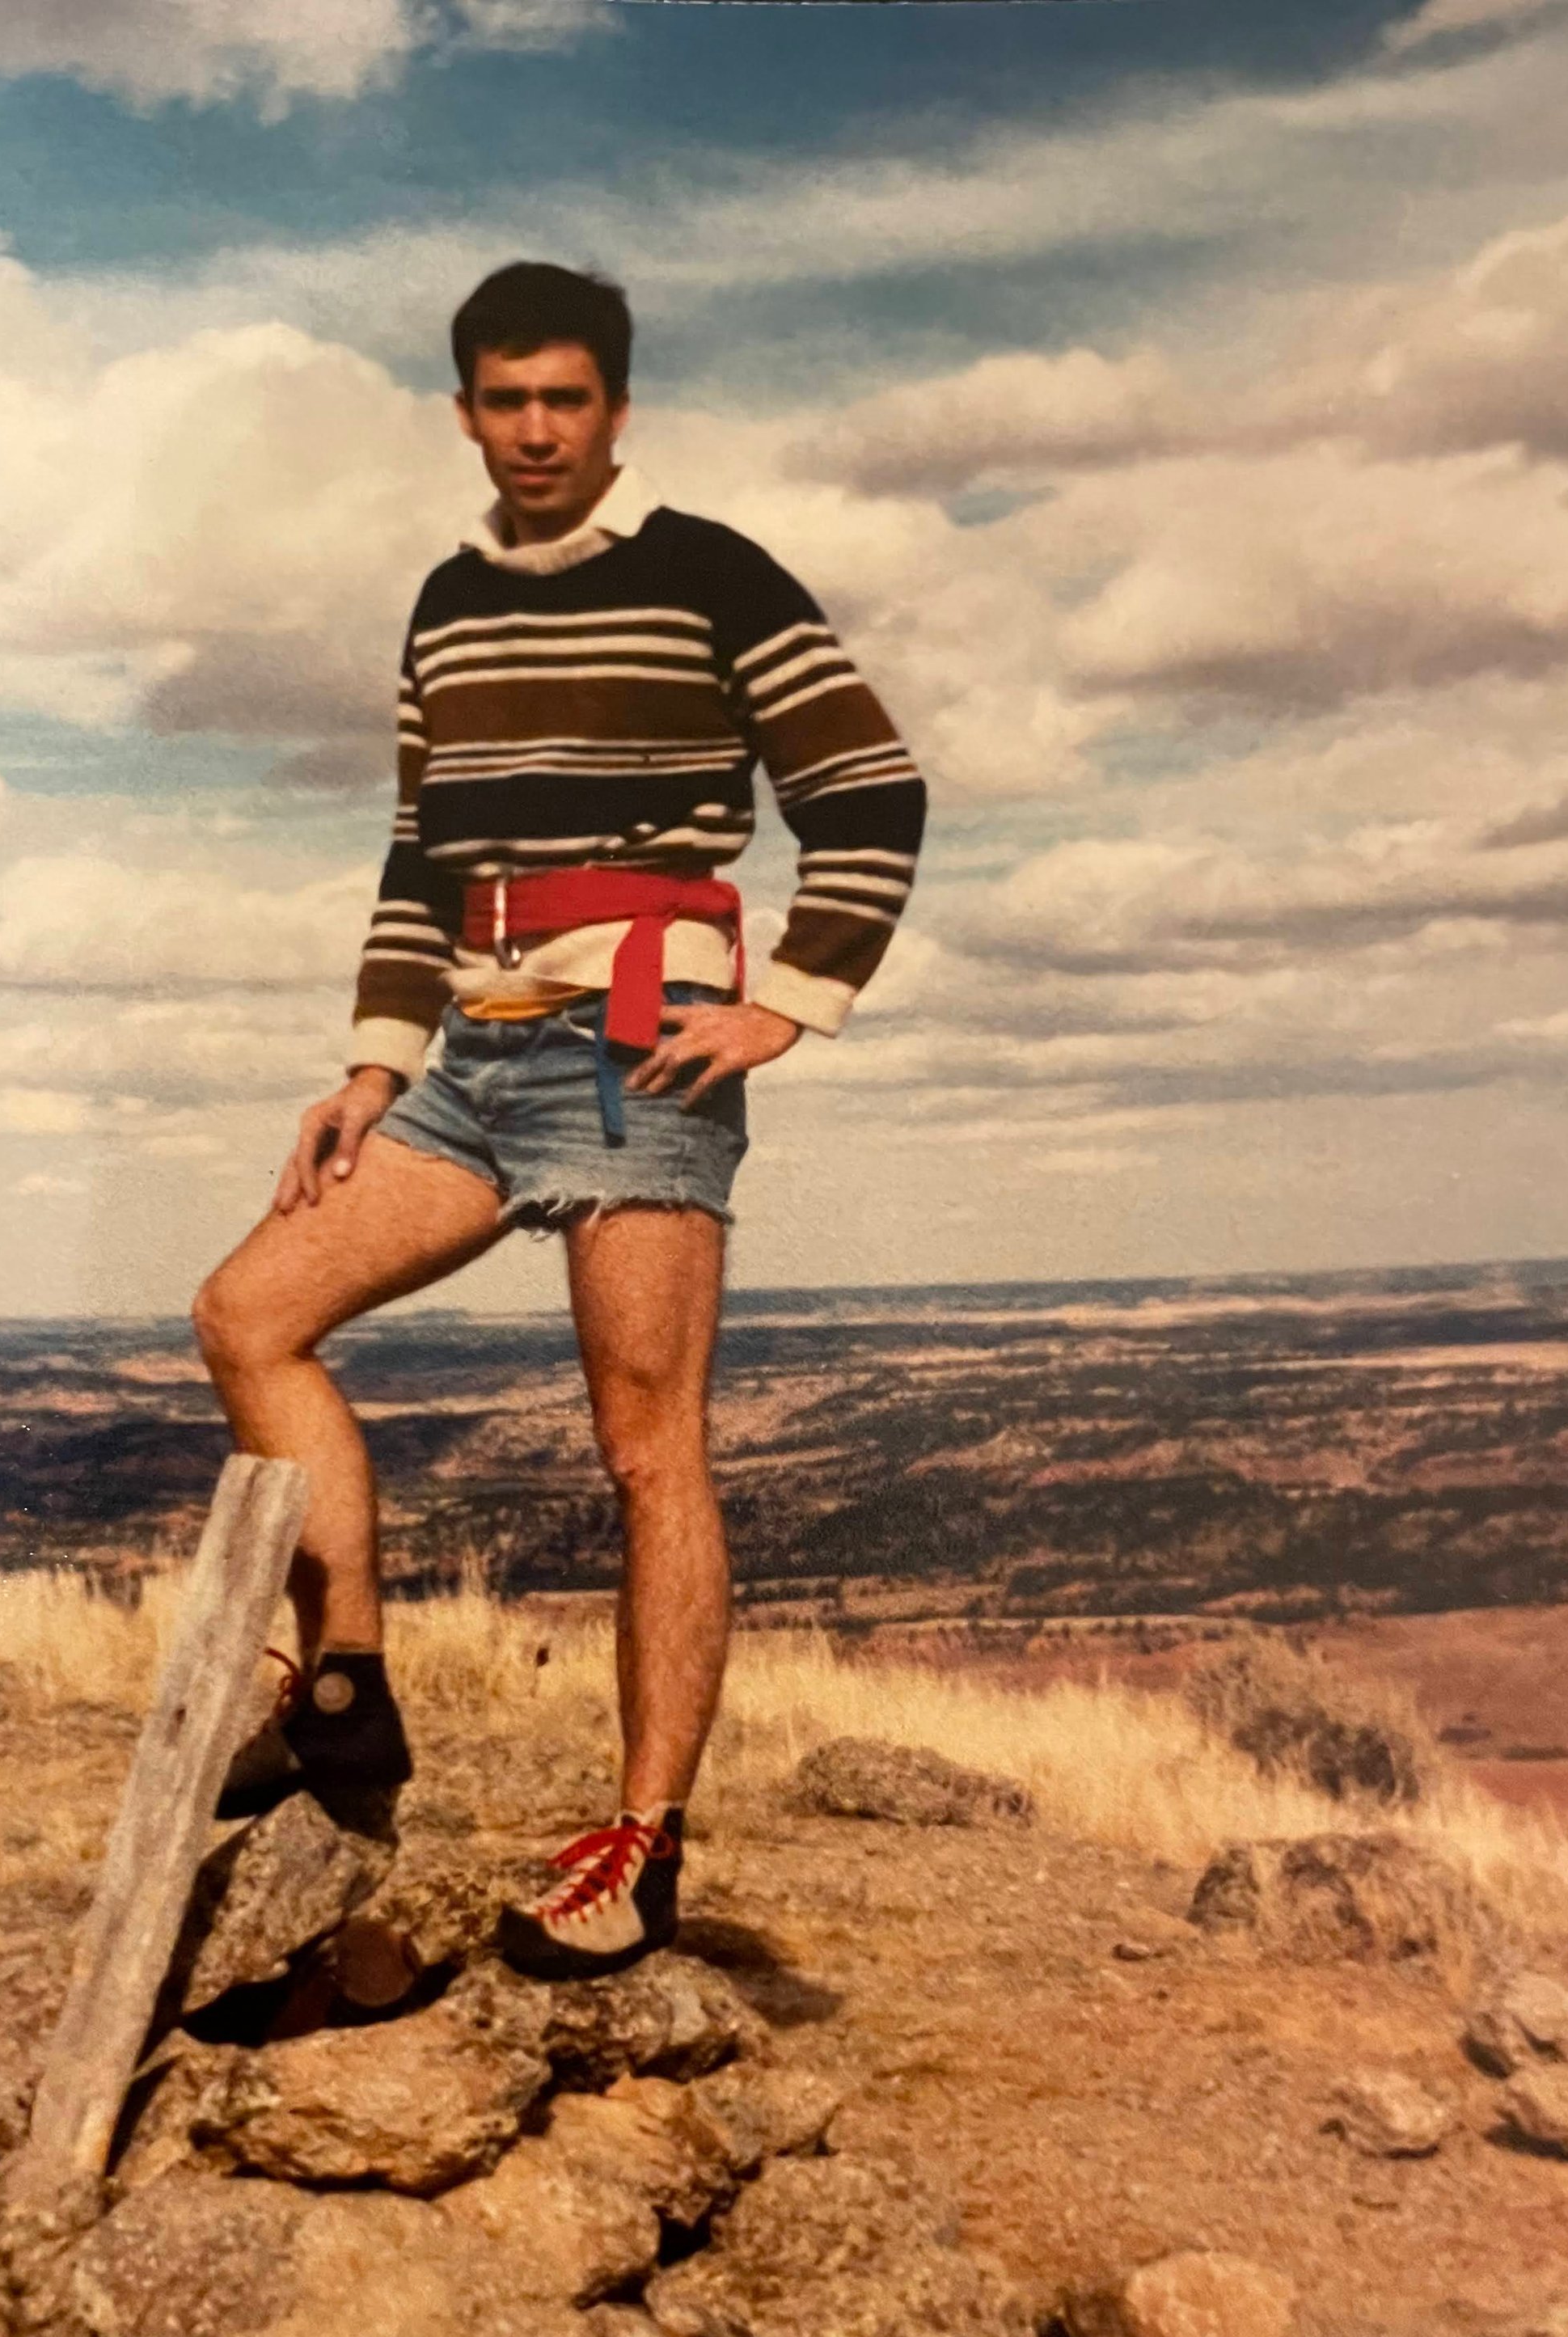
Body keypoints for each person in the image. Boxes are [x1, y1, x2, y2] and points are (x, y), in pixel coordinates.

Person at [193, 260, 925, 1981]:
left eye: (566, 397)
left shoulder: (710, 572)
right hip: (471, 1051)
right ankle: (350, 1682)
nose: (535, 427)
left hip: (640, 1047)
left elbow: (868, 789)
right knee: (248, 1313)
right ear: (465, 410)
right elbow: (416, 854)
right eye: (504, 398)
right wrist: (372, 1064)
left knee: (642, 1447)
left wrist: (789, 1002)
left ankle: (639, 1842)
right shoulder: (444, 600)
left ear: (613, 408)